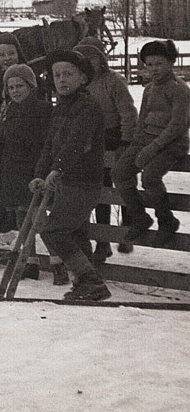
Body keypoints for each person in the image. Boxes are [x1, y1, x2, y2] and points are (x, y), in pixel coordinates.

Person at [30, 49, 110, 301]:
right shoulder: (62, 107)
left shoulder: (87, 107)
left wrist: (58, 169)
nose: (62, 79)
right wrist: (40, 173)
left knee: (54, 231)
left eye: (68, 74)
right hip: (67, 182)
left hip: (83, 182)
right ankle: (86, 284)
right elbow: (49, 145)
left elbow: (77, 143)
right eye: (57, 75)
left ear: (83, 79)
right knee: (74, 232)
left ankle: (90, 281)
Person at [113, 39, 190, 248]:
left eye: (159, 63)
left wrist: (152, 148)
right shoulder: (148, 89)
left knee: (150, 178)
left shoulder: (179, 89)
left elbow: (177, 125)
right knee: (120, 172)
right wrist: (136, 145)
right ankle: (139, 217)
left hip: (172, 143)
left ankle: (167, 221)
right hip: (147, 140)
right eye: (149, 64)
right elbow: (142, 120)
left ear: (170, 62)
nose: (153, 69)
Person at [0, 64, 52, 279]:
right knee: (21, 219)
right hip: (12, 173)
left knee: (38, 220)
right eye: (11, 87)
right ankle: (29, 262)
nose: (15, 91)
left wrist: (40, 171)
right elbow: (0, 141)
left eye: (19, 86)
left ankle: (58, 261)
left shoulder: (42, 110)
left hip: (32, 172)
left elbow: (45, 144)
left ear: (31, 86)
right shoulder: (9, 111)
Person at [74, 39, 137, 263]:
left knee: (123, 185)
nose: (89, 63)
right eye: (83, 59)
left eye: (93, 57)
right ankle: (103, 241)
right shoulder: (78, 84)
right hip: (92, 140)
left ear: (101, 59)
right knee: (100, 192)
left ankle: (128, 228)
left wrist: (126, 141)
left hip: (115, 136)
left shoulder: (113, 81)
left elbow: (128, 112)